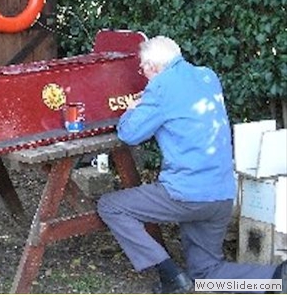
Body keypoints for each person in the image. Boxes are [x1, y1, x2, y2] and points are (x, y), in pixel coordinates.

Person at [97, 36, 286, 293]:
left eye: (142, 69)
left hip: (186, 194)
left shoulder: (161, 87)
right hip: (221, 195)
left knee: (111, 206)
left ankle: (169, 273)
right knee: (206, 274)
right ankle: (276, 278)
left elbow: (129, 134)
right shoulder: (207, 76)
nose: (143, 74)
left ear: (153, 66)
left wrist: (133, 108)